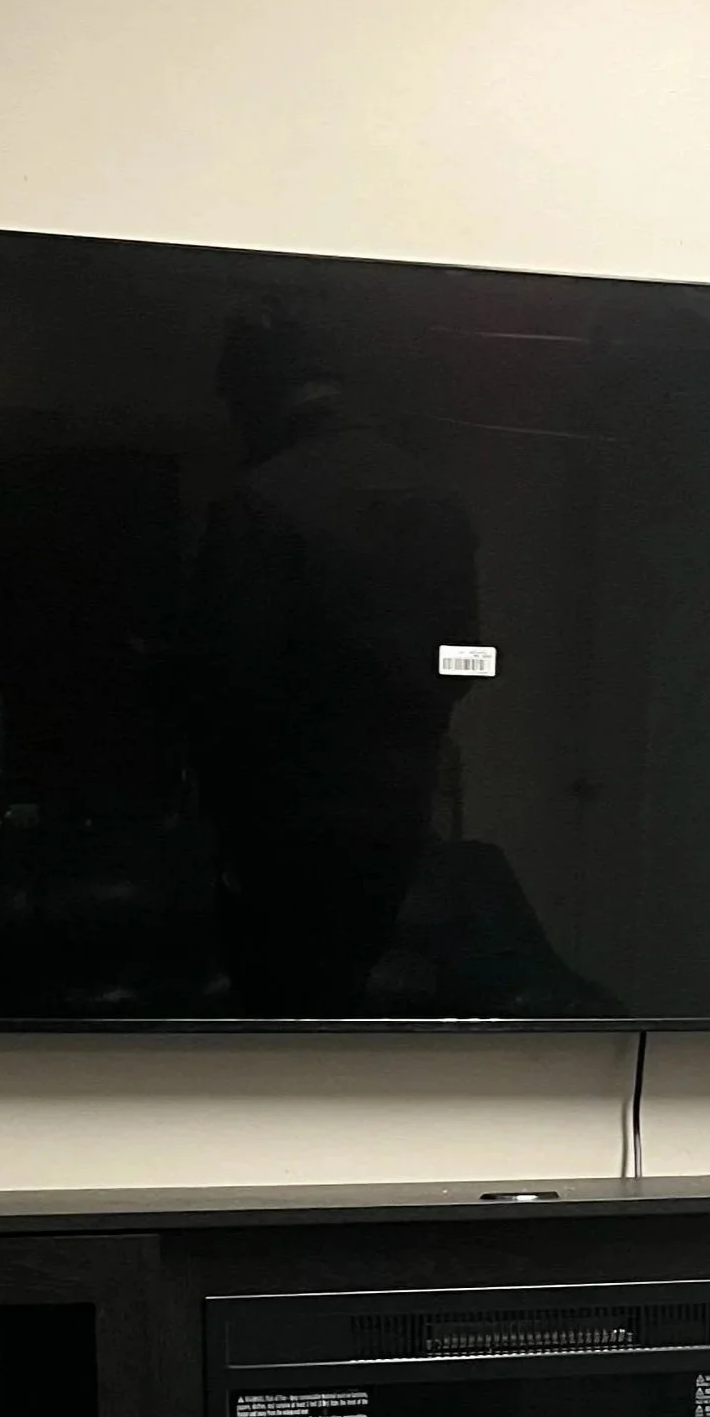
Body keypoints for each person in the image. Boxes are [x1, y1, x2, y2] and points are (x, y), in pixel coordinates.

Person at [185, 304, 479, 1015]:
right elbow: (471, 657)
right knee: (344, 1009)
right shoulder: (437, 500)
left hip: (285, 818)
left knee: (278, 1014)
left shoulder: (260, 501)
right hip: (397, 806)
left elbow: (229, 680)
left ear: (253, 394)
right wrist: (419, 697)